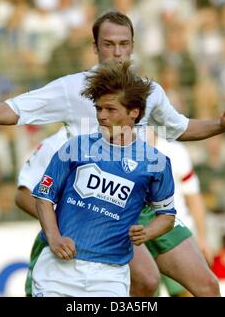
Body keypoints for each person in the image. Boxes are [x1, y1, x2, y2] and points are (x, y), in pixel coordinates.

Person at [0, 11, 225, 296]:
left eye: (123, 44)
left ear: (132, 45)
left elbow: (178, 128)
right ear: (95, 47)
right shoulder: (72, 89)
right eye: (108, 44)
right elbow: (15, 110)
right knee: (145, 280)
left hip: (142, 206)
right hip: (97, 208)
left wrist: (221, 124)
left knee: (207, 286)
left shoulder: (149, 92)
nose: (117, 52)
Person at [31, 61, 176, 296]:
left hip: (110, 275)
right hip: (59, 271)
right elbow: (43, 197)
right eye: (98, 109)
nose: (102, 116)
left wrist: (147, 233)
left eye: (111, 110)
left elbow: (167, 216)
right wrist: (54, 238)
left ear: (134, 112)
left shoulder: (155, 162)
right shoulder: (75, 147)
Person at [149, 133, 213, 296]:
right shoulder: (120, 151)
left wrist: (202, 238)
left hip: (176, 233)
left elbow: (193, 196)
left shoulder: (175, 151)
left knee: (188, 291)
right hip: (141, 236)